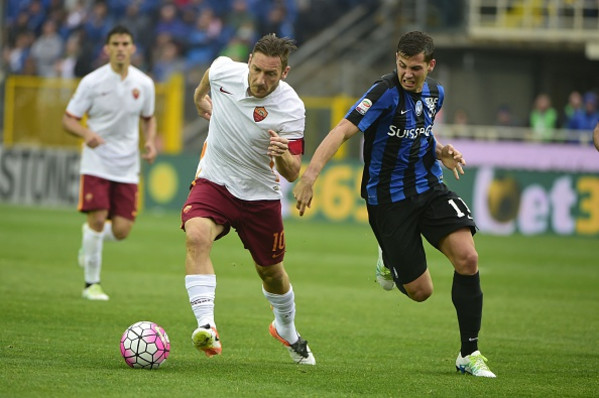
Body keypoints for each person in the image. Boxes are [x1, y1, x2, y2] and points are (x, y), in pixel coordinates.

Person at [293, 31, 495, 377]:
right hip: (388, 200)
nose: (407, 73)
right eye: (402, 65)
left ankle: (469, 353)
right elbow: (342, 129)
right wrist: (310, 175)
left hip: (429, 187)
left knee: (468, 257)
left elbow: (421, 131)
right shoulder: (383, 92)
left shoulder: (436, 94)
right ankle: (388, 255)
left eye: (415, 67)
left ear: (430, 65)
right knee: (421, 291)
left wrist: (440, 151)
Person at [181, 34, 315, 365]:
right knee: (197, 236)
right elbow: (208, 76)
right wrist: (200, 99)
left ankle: (287, 329)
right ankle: (207, 326)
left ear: (284, 73)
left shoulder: (291, 107)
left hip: (260, 195)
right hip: (215, 179)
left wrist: (282, 155)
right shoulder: (225, 70)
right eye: (256, 69)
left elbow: (294, 170)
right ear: (250, 61)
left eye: (270, 74)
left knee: (271, 272)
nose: (260, 80)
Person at [62, 25, 157, 301]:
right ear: (107, 48)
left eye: (125, 43)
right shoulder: (92, 82)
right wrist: (85, 133)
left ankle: (89, 241)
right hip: (97, 161)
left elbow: (149, 117)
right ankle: (92, 284)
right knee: (98, 217)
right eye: (115, 43)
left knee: (121, 230)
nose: (120, 48)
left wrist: (149, 141)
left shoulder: (144, 83)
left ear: (132, 48)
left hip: (127, 164)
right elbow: (68, 119)